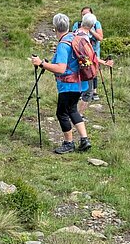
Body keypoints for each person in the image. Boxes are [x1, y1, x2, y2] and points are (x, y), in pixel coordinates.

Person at [31, 13, 91, 154]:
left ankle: (68, 143)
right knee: (73, 110)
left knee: (62, 113)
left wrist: (41, 64)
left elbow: (61, 68)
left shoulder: (63, 45)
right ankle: (84, 140)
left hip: (68, 85)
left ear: (55, 28)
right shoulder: (74, 38)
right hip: (80, 83)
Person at [76, 13, 113, 117]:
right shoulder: (85, 38)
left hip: (74, 67)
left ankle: (74, 114)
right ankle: (78, 116)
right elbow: (91, 56)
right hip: (84, 68)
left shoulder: (75, 33)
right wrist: (104, 63)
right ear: (92, 26)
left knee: (78, 91)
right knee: (87, 93)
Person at [73, 6, 103, 101]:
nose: (85, 16)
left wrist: (90, 29)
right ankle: (83, 90)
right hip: (82, 53)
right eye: (83, 14)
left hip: (94, 50)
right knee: (83, 69)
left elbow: (100, 38)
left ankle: (94, 91)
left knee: (93, 70)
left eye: (87, 14)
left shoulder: (96, 24)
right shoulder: (77, 25)